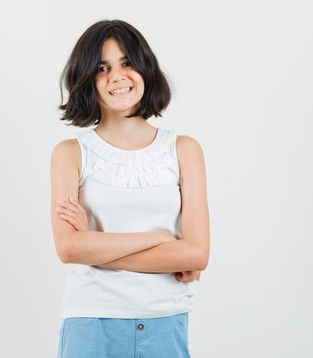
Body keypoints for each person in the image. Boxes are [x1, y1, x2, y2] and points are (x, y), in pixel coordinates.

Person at [50, 20, 210, 358]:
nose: (117, 76)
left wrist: (96, 244)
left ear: (145, 68)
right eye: (102, 68)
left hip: (164, 320)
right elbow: (69, 249)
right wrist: (162, 240)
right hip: (92, 322)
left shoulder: (184, 150)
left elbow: (196, 255)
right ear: (87, 80)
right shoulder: (69, 154)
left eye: (127, 63)